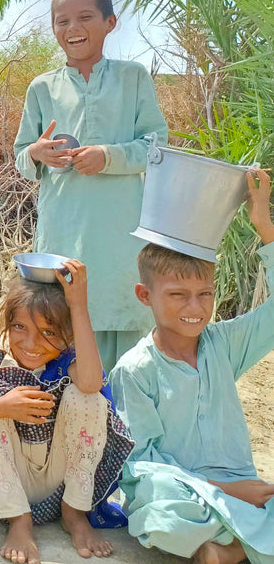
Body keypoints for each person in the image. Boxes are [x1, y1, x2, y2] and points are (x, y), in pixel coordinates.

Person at [110, 168, 274, 564]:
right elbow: (141, 465)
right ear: (145, 295)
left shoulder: (224, 345)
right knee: (156, 503)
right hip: (182, 493)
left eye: (205, 294)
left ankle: (224, 551)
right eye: (178, 295)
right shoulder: (134, 370)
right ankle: (238, 545)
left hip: (238, 483)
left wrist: (264, 224)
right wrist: (232, 494)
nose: (195, 308)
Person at [14, 0, 169, 372]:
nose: (72, 28)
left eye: (84, 17)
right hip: (65, 233)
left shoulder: (132, 77)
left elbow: (156, 147)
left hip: (122, 238)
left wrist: (108, 156)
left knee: (129, 338)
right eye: (61, 20)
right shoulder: (42, 88)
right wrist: (37, 153)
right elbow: (20, 158)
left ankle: (127, 428)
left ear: (110, 23)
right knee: (61, 326)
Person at [0, 261, 133, 564]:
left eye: (48, 331)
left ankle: (75, 515)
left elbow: (93, 382)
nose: (31, 343)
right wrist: (1, 407)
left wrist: (78, 305)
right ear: (7, 324)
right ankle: (19, 520)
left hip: (62, 484)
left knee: (88, 397)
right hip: (5, 482)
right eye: (19, 327)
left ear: (67, 333)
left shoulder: (69, 358)